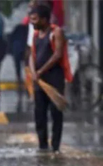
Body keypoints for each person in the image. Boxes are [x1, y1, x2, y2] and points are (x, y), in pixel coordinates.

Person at [29, 5, 72, 153]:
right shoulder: (35, 35)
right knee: (39, 113)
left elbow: (58, 54)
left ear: (44, 19)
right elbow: (31, 55)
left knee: (55, 113)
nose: (32, 22)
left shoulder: (56, 32)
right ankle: (42, 146)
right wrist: (34, 71)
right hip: (39, 81)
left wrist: (40, 71)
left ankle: (55, 146)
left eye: (34, 19)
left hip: (54, 78)